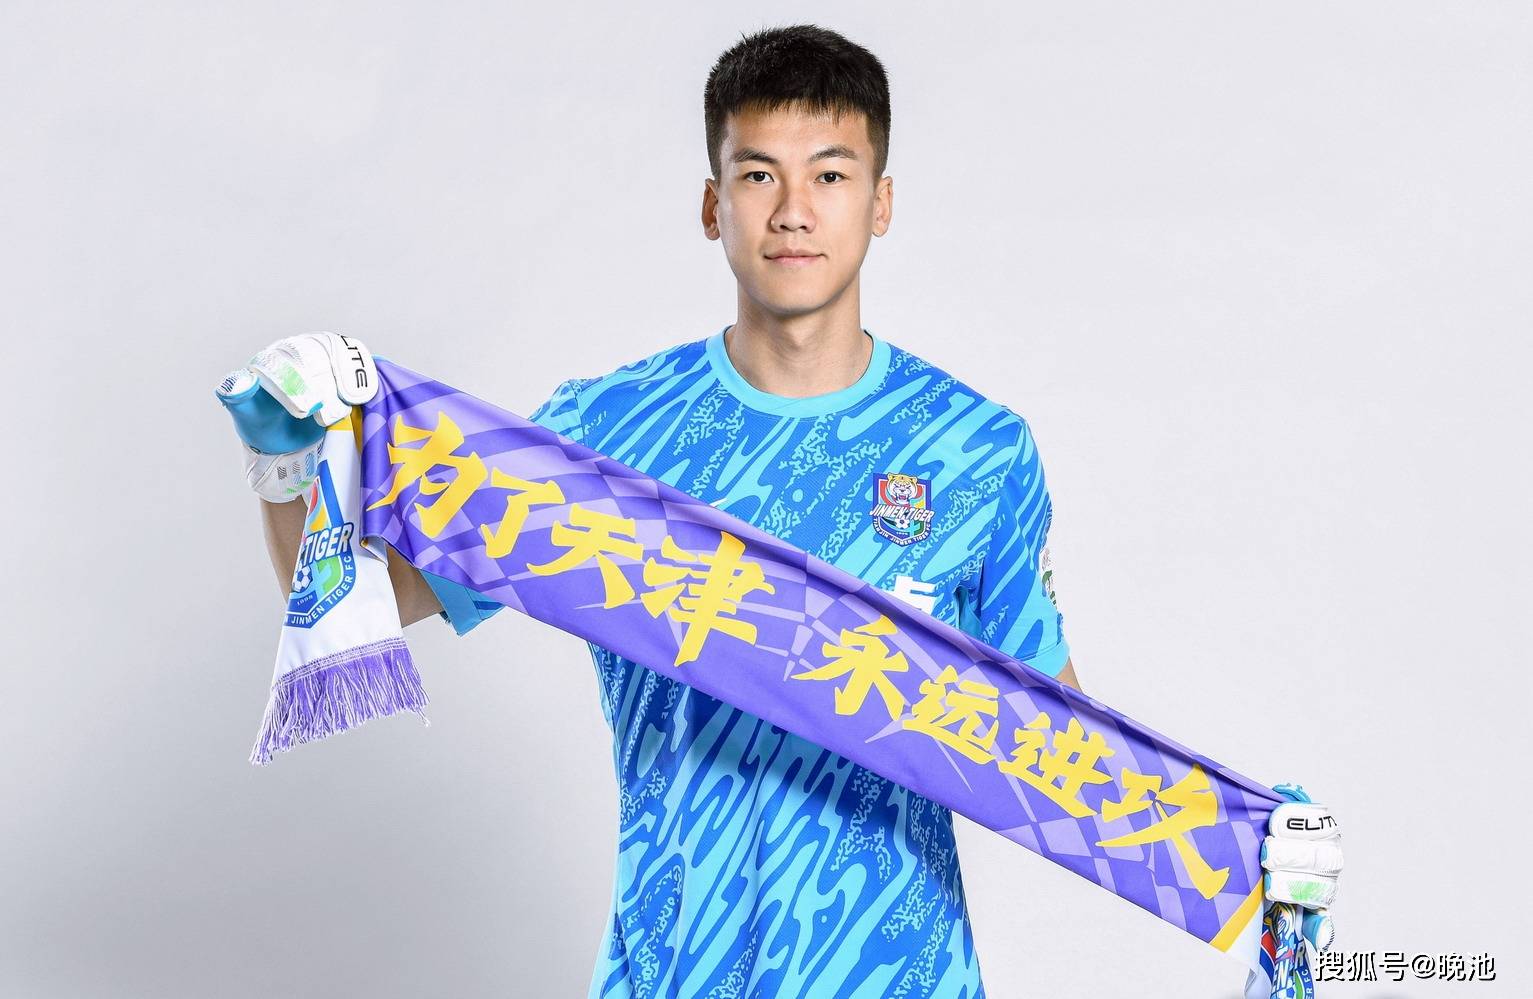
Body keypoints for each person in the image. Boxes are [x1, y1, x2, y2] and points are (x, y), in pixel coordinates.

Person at [228, 24, 1340, 998]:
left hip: (901, 976)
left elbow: (1054, 741)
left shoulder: (975, 450)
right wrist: (286, 462)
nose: (794, 211)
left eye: (831, 174)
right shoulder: (603, 436)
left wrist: (1243, 843)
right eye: (758, 175)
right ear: (714, 204)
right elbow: (356, 603)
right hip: (669, 970)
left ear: (881, 202)